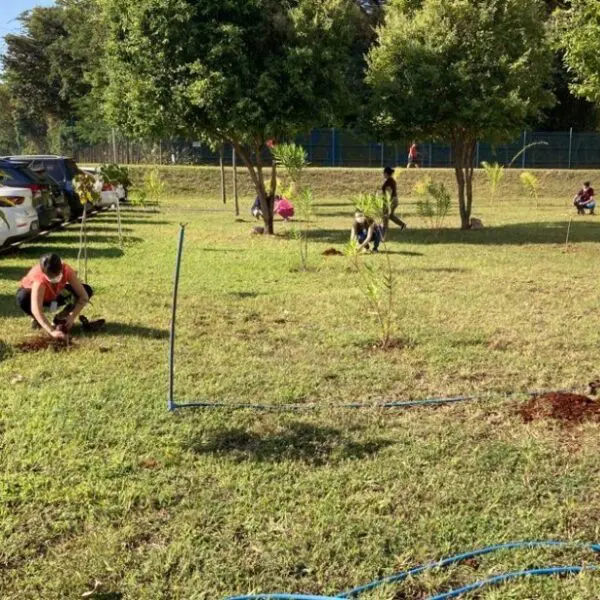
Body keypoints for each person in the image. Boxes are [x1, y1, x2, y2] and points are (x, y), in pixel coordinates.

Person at [16, 253, 93, 340]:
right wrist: (52, 331)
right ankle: (37, 320)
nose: (54, 278)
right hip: (36, 297)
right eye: (51, 276)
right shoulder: (39, 279)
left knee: (87, 289)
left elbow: (83, 296)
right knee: (22, 297)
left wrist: (72, 317)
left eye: (56, 275)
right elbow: (36, 309)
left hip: (56, 294)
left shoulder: (66, 270)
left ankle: (62, 317)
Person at [382, 166, 407, 232]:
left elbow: (389, 191)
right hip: (394, 199)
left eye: (384, 173)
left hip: (391, 200)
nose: (383, 174)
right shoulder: (391, 180)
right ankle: (402, 225)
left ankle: (385, 229)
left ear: (386, 173)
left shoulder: (389, 181)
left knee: (386, 214)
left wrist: (387, 201)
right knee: (390, 215)